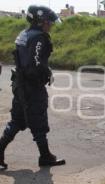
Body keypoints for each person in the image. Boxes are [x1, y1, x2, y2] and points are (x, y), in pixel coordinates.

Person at [0, 5, 65, 170]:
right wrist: (46, 73)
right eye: (49, 22)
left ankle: (0, 150)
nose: (51, 25)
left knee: (17, 120)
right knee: (38, 119)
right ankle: (45, 156)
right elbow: (35, 63)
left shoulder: (24, 34)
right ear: (40, 21)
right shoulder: (39, 37)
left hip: (20, 85)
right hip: (32, 86)